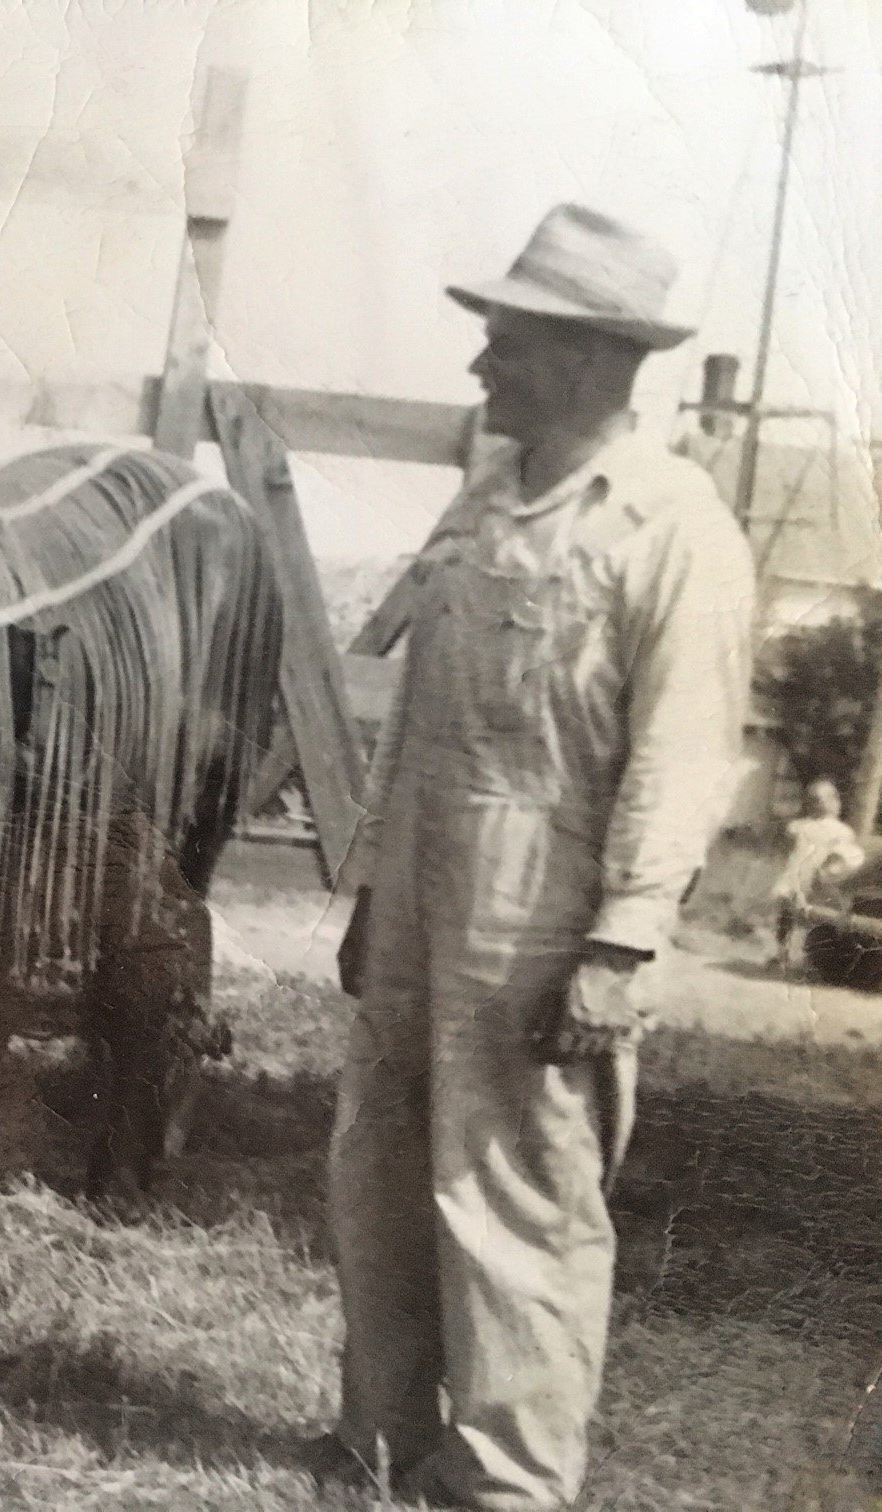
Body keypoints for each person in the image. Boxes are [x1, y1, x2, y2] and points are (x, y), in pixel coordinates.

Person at [315, 205, 756, 1509]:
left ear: (582, 356)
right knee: (380, 1158)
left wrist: (621, 941)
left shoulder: (672, 529)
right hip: (423, 879)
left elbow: (684, 754)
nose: (477, 368)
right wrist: (374, 886)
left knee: (520, 1186)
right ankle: (381, 1442)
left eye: (501, 342)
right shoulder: (483, 503)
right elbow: (422, 715)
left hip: (550, 896)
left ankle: (509, 1482)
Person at [769, 778, 866, 966]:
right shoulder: (800, 826)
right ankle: (782, 951)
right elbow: (788, 851)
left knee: (815, 914)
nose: (819, 804)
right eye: (814, 799)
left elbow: (844, 856)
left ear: (834, 801)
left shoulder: (841, 831)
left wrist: (830, 871)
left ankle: (813, 954)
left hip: (821, 877)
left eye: (824, 799)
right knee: (786, 909)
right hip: (797, 873)